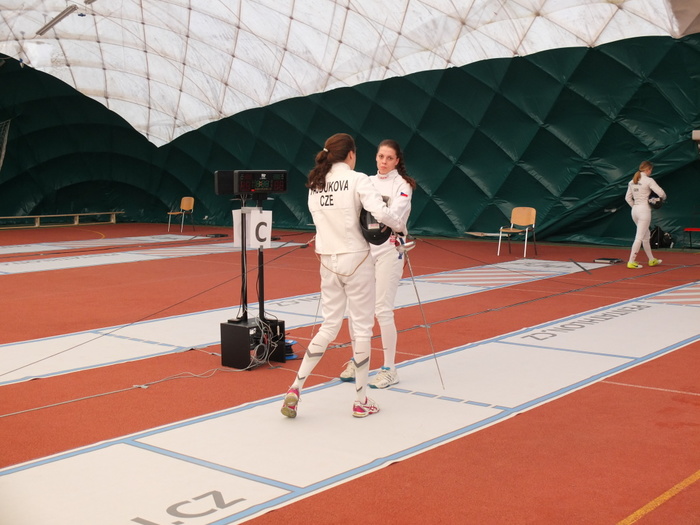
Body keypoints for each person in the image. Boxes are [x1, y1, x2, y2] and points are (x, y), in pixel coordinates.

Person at [281, 133, 406, 419]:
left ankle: (295, 387)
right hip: (356, 260)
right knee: (362, 330)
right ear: (350, 154)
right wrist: (400, 226)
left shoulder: (316, 184)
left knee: (328, 326)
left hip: (328, 262)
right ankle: (361, 401)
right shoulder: (358, 179)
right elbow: (381, 212)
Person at [340, 139, 416, 388]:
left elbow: (396, 217)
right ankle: (358, 361)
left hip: (389, 251)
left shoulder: (402, 185)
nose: (384, 162)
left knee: (382, 309)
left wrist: (395, 223)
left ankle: (389, 369)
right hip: (365, 251)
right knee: (355, 309)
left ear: (397, 161)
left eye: (389, 158)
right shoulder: (367, 181)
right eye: (381, 156)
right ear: (376, 157)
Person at [624, 160, 667, 269]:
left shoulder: (632, 181)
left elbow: (627, 198)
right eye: (650, 170)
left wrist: (635, 206)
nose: (651, 172)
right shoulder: (649, 180)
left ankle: (651, 259)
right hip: (644, 210)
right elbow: (661, 193)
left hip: (634, 210)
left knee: (646, 236)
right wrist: (662, 198)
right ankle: (631, 261)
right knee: (639, 237)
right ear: (648, 169)